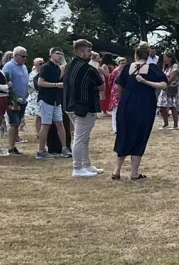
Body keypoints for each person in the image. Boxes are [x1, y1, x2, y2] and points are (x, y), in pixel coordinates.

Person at [113, 45, 167, 180]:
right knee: (140, 135)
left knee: (124, 134)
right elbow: (163, 85)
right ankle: (134, 173)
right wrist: (145, 82)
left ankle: (116, 171)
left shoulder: (127, 68)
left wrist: (124, 99)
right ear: (147, 56)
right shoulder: (152, 68)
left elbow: (119, 86)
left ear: (135, 55)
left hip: (127, 103)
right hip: (145, 104)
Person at [64, 39, 105, 177]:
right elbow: (101, 86)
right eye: (88, 51)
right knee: (80, 138)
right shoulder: (89, 69)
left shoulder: (68, 65)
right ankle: (77, 168)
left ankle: (86, 165)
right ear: (81, 52)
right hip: (85, 107)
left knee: (83, 137)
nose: (90, 53)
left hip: (70, 105)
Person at [36, 48, 72, 159]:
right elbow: (40, 82)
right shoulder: (46, 67)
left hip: (56, 100)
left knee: (60, 124)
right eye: (57, 53)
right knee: (46, 124)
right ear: (51, 54)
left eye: (61, 54)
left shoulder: (57, 68)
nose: (60, 56)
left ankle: (64, 148)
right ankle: (41, 151)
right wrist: (56, 85)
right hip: (46, 99)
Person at [2, 46, 30, 156]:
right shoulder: (9, 66)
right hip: (13, 100)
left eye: (26, 56)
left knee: (17, 123)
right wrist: (11, 97)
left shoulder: (24, 67)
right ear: (15, 56)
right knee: (13, 123)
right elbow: (5, 81)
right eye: (23, 56)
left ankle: (13, 145)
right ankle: (11, 147)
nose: (25, 58)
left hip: (22, 100)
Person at [157, 52, 179, 130]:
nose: (165, 60)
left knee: (173, 106)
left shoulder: (175, 66)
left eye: (166, 58)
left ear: (171, 58)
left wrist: (165, 83)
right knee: (161, 106)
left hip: (172, 89)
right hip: (164, 89)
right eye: (164, 58)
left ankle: (175, 125)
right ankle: (166, 123)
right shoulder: (166, 67)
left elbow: (173, 76)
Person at [26, 57, 43, 138]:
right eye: (40, 63)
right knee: (39, 116)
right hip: (36, 96)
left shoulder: (45, 72)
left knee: (43, 115)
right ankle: (39, 133)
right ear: (35, 65)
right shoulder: (32, 74)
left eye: (43, 63)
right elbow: (30, 87)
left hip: (44, 95)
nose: (42, 65)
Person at [108, 57, 126, 133]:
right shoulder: (116, 71)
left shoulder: (125, 70)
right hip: (115, 91)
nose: (123, 64)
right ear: (118, 63)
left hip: (123, 90)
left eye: (124, 63)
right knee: (115, 110)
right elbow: (110, 80)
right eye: (121, 63)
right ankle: (115, 127)